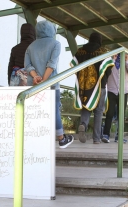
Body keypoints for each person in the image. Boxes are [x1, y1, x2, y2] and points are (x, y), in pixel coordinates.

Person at [24, 20, 74, 149]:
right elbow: (51, 64)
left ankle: (36, 139)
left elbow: (27, 66)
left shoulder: (31, 46)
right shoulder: (56, 44)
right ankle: (61, 139)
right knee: (54, 110)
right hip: (51, 83)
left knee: (36, 111)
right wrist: (45, 81)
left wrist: (36, 77)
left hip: (34, 85)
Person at [71, 32, 114, 144]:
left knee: (86, 107)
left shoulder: (80, 51)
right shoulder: (103, 52)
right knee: (98, 111)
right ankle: (96, 138)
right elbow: (108, 70)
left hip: (84, 86)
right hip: (100, 86)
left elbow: (74, 66)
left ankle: (83, 125)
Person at [102, 53, 128, 143]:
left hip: (123, 92)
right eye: (118, 55)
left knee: (121, 115)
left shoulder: (126, 64)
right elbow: (106, 71)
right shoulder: (111, 64)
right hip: (112, 91)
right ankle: (106, 135)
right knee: (109, 113)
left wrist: (127, 61)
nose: (119, 57)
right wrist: (113, 59)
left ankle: (119, 136)